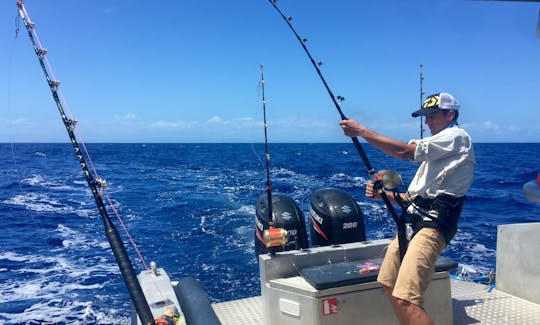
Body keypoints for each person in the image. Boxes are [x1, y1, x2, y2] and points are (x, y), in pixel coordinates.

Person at [339, 92, 475, 325]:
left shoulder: (457, 136)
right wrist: (384, 195)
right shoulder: (434, 158)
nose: (427, 121)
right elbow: (409, 199)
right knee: (388, 282)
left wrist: (361, 131)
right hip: (411, 224)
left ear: (450, 114)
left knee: (406, 298)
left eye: (433, 115)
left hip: (433, 225)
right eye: (425, 116)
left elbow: (404, 152)